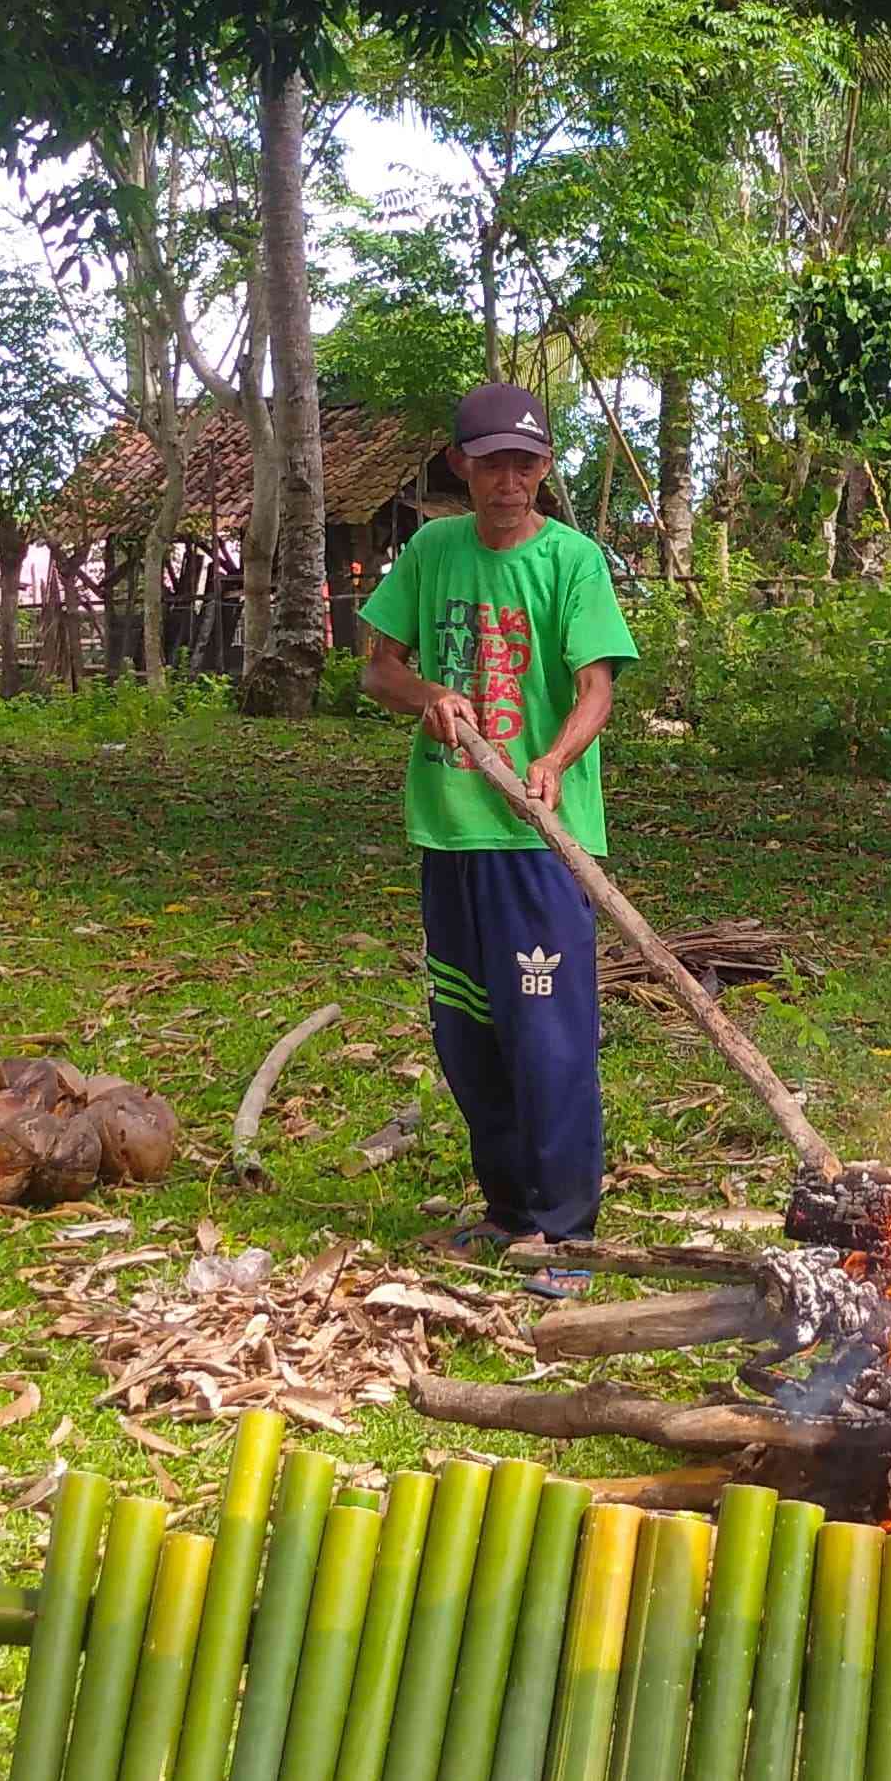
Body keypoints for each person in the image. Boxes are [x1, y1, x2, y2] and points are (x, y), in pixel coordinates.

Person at [361, 382, 637, 1261]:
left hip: (538, 837)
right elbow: (379, 670)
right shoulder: (434, 549)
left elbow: (597, 686)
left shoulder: (573, 561)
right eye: (490, 465)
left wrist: (553, 761)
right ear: (461, 467)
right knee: (470, 1035)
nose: (507, 481)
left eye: (524, 464)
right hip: (450, 827)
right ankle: (510, 1211)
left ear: (545, 469)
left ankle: (564, 1231)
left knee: (547, 1036)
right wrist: (430, 694)